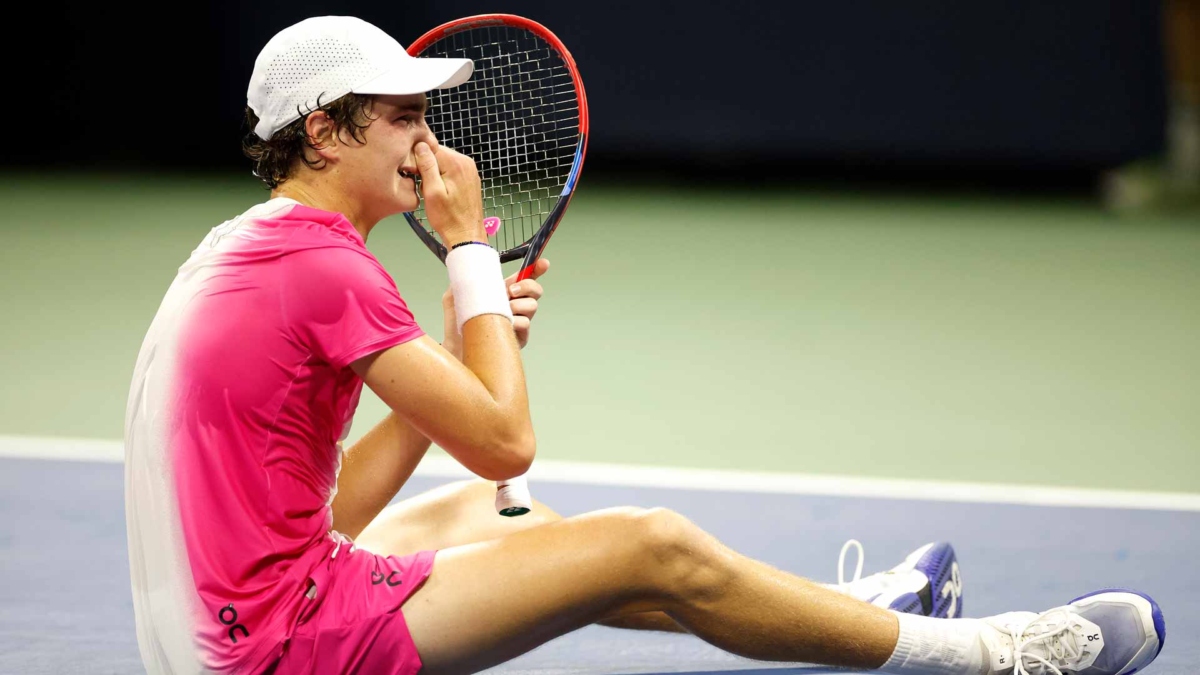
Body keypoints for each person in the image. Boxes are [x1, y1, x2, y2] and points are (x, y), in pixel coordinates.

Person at [124, 16, 1166, 675]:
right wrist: (467, 259)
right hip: (276, 652)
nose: (430, 147)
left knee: (498, 521)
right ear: (322, 133)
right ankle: (992, 655)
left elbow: (323, 513)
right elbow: (506, 441)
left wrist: (439, 369)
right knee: (646, 542)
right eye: (402, 119)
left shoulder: (250, 252)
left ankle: (840, 615)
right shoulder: (326, 269)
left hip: (212, 639)